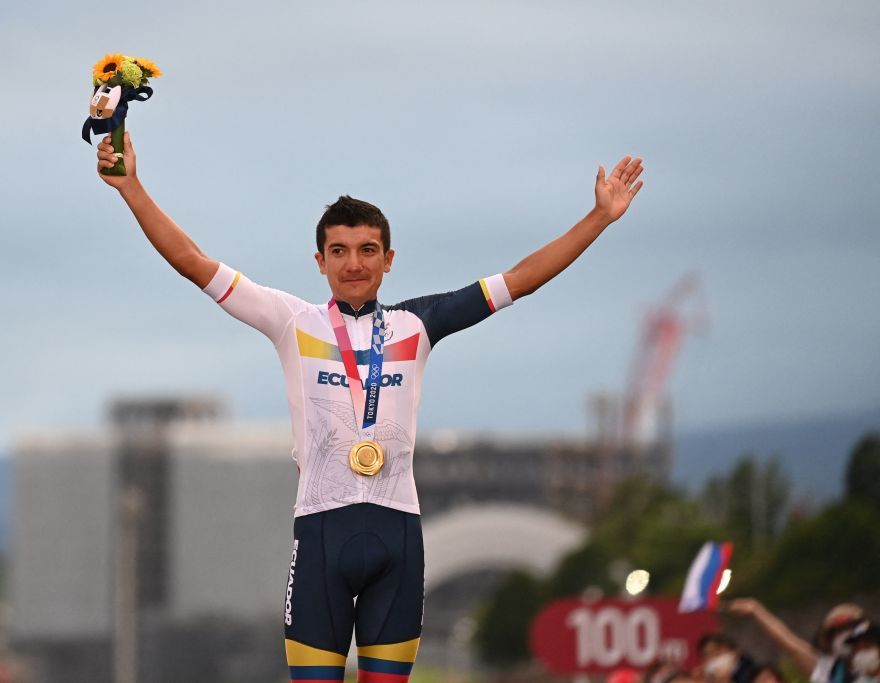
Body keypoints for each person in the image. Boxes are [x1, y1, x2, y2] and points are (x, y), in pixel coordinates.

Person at [95, 132, 644, 682]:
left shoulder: (419, 324)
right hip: (319, 537)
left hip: (397, 541)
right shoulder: (291, 321)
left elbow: (520, 279)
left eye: (366, 250)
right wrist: (131, 187)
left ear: (388, 260)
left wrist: (598, 218)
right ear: (319, 261)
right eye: (339, 251)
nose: (353, 263)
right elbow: (193, 262)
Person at [728, 599, 865, 683]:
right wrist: (756, 610)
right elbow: (789, 643)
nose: (846, 637)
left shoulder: (873, 661)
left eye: (851, 629)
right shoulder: (831, 672)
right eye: (837, 633)